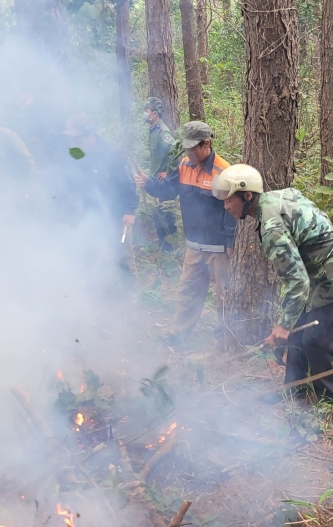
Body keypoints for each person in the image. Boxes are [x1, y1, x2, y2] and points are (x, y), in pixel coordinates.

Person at [213, 164, 333, 402]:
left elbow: (298, 281)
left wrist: (282, 325)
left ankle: (330, 400)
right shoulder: (275, 199)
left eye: (228, 199)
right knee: (295, 338)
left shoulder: (271, 227)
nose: (225, 206)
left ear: (247, 195)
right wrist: (287, 324)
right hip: (316, 273)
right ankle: (294, 392)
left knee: (315, 341)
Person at [135, 121, 235, 349]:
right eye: (185, 148)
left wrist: (230, 242)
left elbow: (232, 209)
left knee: (224, 297)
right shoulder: (183, 166)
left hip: (219, 249)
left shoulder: (223, 171)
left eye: (191, 148)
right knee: (188, 292)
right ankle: (178, 337)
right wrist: (148, 183)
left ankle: (225, 341)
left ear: (206, 144)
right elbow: (168, 190)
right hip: (194, 246)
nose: (187, 152)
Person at [64, 113, 139, 271]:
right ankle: (101, 292)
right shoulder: (80, 155)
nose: (74, 142)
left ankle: (130, 293)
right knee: (95, 256)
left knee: (123, 257)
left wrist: (130, 211)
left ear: (88, 135)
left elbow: (129, 185)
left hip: (117, 215)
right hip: (93, 216)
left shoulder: (113, 156)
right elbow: (77, 182)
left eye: (77, 138)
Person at [142, 97, 181, 251]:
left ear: (155, 113)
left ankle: (171, 252)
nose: (145, 114)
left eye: (147, 111)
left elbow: (176, 152)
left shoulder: (162, 132)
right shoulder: (153, 130)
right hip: (155, 183)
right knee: (158, 217)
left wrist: (168, 172)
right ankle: (164, 249)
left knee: (166, 218)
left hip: (164, 184)